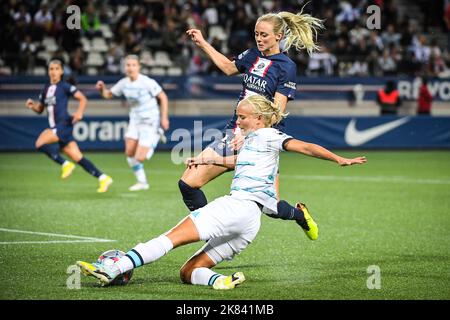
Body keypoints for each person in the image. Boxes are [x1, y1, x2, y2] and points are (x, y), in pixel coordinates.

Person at [76, 94, 367, 290]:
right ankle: (220, 282)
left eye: (242, 118)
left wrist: (339, 158)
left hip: (235, 208)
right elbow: (238, 161)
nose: (237, 122)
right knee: (188, 272)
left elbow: (304, 147)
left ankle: (115, 267)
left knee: (168, 239)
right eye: (237, 117)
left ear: (260, 119)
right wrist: (206, 159)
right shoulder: (255, 141)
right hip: (249, 225)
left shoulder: (270, 135)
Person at [180, 10, 324, 219]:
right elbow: (229, 68)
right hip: (234, 134)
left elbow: (276, 113)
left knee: (271, 208)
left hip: (262, 141)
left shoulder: (286, 67)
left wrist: (249, 134)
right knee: (188, 183)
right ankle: (210, 229)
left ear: (279, 36)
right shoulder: (252, 55)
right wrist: (202, 42)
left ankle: (300, 216)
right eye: (256, 34)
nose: (259, 39)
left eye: (264, 35)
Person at [25, 59, 113, 193]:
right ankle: (103, 178)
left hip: (62, 125)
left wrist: (79, 112)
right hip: (58, 127)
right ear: (48, 71)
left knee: (39, 143)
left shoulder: (64, 86)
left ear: (61, 71)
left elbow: (83, 98)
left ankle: (65, 164)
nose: (53, 72)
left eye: (56, 69)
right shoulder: (45, 90)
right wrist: (32, 106)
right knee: (78, 157)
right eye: (51, 69)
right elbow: (40, 109)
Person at [95, 55, 169, 191]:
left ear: (138, 67)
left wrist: (164, 118)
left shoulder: (147, 82)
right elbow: (108, 94)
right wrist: (101, 89)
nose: (130, 68)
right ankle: (142, 182)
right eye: (128, 65)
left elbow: (163, 97)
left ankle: (157, 135)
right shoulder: (123, 83)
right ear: (125, 67)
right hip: (135, 120)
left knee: (140, 157)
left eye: (133, 65)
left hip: (150, 120)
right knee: (129, 152)